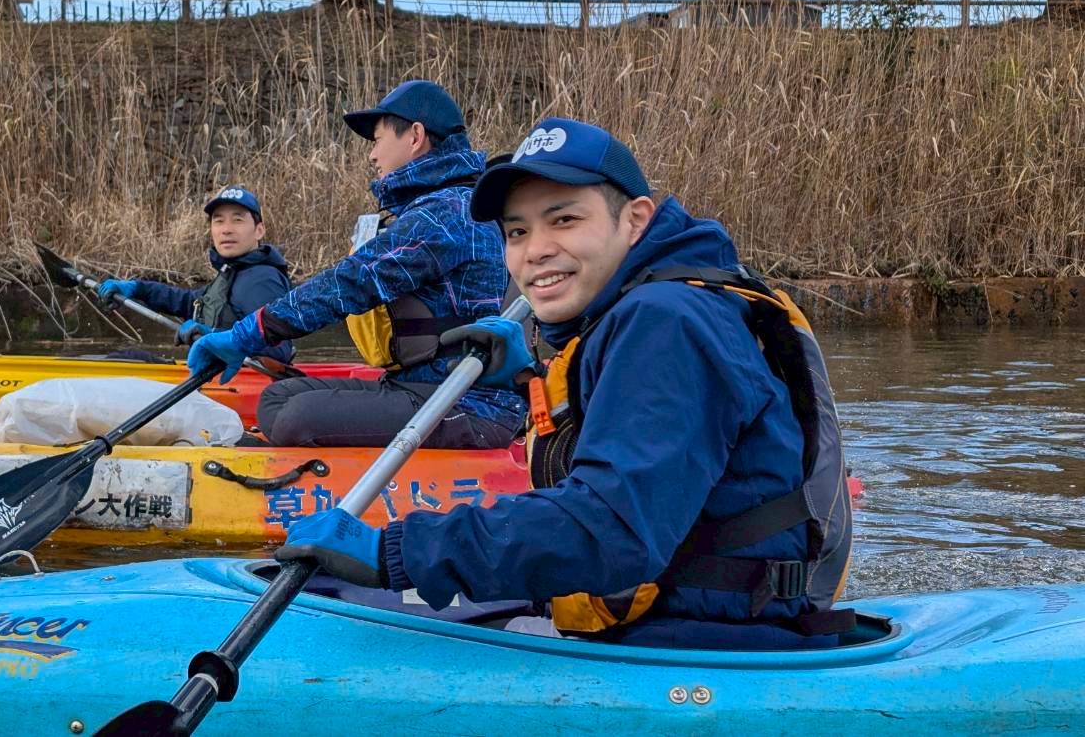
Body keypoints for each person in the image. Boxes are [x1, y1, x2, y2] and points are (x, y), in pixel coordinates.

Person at [272, 117, 854, 650]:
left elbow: (609, 527)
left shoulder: (667, 321)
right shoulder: (656, 304)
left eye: (565, 219)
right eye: (517, 231)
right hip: (682, 609)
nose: (536, 251)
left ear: (635, 219)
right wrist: (529, 381)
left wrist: (394, 551)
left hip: (700, 639)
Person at [185, 80, 524, 449]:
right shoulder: (437, 207)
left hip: (466, 405)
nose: (372, 155)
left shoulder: (447, 213)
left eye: (377, 141)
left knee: (296, 418)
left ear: (415, 136)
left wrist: (247, 334)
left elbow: (351, 283)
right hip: (417, 386)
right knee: (277, 397)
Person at [97, 185, 295, 364]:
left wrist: (215, 337)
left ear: (259, 231)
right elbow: (190, 302)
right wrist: (137, 288)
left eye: (237, 220)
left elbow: (278, 351)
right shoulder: (233, 273)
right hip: (208, 377)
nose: (226, 230)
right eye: (219, 221)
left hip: (235, 383)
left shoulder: (263, 280)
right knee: (126, 358)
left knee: (119, 364)